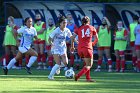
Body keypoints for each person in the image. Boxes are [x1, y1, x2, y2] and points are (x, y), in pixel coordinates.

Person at [71, 16, 98, 82]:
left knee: (86, 63)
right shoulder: (92, 27)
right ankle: (78, 76)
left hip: (80, 49)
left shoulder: (79, 28)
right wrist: (93, 44)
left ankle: (88, 78)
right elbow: (97, 38)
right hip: (87, 48)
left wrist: (72, 46)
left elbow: (72, 37)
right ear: (89, 21)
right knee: (89, 65)